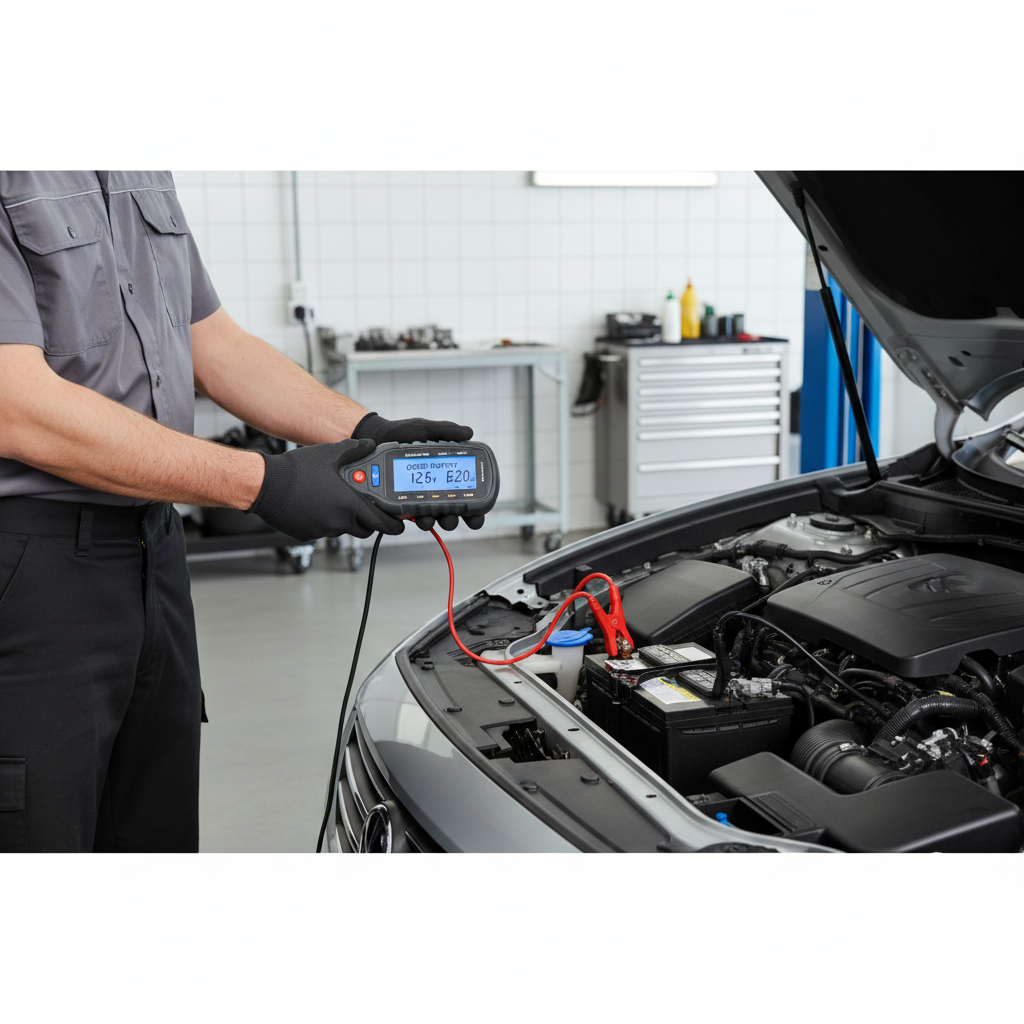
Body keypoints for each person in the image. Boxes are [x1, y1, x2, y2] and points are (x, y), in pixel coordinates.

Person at [0, 171, 476, 852]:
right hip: (30, 568)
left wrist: (365, 431)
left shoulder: (138, 171)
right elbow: (15, 405)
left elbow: (214, 343)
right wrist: (266, 483)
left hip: (152, 553)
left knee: (152, 824)